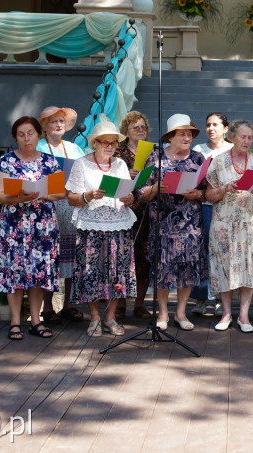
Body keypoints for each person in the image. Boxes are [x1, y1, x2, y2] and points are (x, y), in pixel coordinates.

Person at [0, 116, 64, 340]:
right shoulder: (6, 161)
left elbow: (60, 193)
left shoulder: (49, 161)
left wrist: (41, 194)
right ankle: (15, 322)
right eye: (21, 135)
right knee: (14, 272)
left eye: (30, 133)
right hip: (14, 227)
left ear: (38, 135)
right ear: (15, 138)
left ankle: (35, 321)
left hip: (42, 227)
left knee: (37, 273)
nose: (26, 138)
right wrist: (19, 197)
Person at [65, 115, 137, 337]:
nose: (110, 147)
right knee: (91, 272)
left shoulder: (120, 164)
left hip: (118, 224)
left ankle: (110, 317)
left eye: (113, 143)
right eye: (105, 142)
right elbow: (71, 198)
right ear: (94, 143)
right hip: (91, 227)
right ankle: (95, 317)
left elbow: (128, 193)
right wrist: (88, 196)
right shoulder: (81, 164)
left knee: (117, 272)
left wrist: (130, 198)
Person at [139, 113, 206, 331]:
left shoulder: (198, 158)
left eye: (190, 134)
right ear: (170, 136)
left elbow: (206, 190)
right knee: (162, 269)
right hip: (163, 224)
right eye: (182, 134)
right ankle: (163, 313)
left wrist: (197, 194)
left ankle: (181, 313)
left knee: (187, 269)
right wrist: (156, 188)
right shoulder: (155, 157)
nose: (187, 138)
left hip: (190, 224)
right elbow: (141, 192)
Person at [205, 120, 253, 332]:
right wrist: (224, 188)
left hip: (251, 223)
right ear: (232, 137)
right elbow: (208, 195)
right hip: (224, 224)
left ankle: (244, 315)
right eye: (243, 136)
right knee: (224, 266)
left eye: (250, 137)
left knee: (249, 267)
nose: (247, 141)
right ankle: (226, 314)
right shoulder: (218, 161)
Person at [36, 106, 87, 325]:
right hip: (47, 205)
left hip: (71, 204)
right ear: (44, 126)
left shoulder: (74, 148)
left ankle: (69, 304)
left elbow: (85, 172)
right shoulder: (38, 147)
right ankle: (47, 307)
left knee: (72, 255)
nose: (58, 125)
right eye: (53, 121)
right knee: (50, 255)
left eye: (61, 121)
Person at [192, 112, 232, 317]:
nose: (211, 128)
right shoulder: (198, 150)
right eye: (208, 124)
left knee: (222, 252)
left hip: (226, 208)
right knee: (202, 251)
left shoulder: (232, 149)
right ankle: (200, 297)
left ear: (226, 128)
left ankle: (219, 298)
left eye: (216, 124)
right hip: (204, 205)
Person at [114, 110, 153, 319]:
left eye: (143, 127)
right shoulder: (117, 152)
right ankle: (120, 304)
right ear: (126, 131)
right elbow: (107, 178)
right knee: (121, 258)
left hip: (147, 211)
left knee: (144, 258)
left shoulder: (153, 151)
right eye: (135, 127)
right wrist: (125, 175)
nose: (140, 130)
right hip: (123, 211)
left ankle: (140, 304)